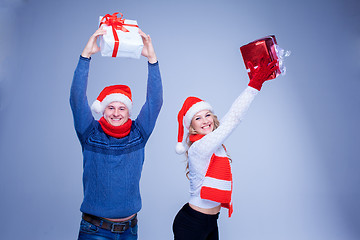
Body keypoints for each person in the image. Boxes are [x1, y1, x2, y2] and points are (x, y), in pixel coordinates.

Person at [70, 27, 163, 240]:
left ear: (129, 111)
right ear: (103, 110)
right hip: (95, 230)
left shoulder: (139, 133)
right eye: (111, 107)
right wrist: (86, 56)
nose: (116, 113)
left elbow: (155, 102)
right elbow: (77, 99)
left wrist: (152, 60)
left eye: (122, 108)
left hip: (130, 230)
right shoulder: (90, 133)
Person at [172, 58, 279, 240]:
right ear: (191, 127)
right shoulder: (199, 147)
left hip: (212, 221)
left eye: (207, 115)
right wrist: (254, 85)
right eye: (198, 118)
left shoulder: (217, 146)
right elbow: (233, 119)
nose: (205, 120)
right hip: (192, 224)